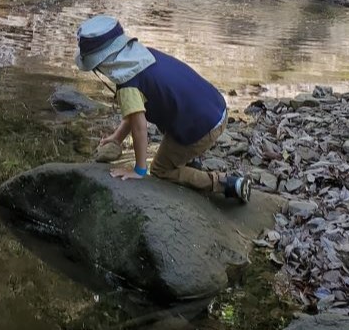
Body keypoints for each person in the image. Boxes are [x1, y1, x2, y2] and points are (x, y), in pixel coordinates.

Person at [75, 15, 251, 203]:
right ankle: (189, 161)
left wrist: (139, 170)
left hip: (202, 127)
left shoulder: (128, 83)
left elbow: (139, 127)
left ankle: (228, 184)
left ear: (102, 64)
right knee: (165, 116)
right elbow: (134, 113)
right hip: (215, 107)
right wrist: (117, 138)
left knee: (161, 170)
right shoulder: (142, 56)